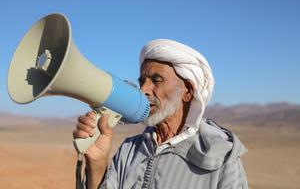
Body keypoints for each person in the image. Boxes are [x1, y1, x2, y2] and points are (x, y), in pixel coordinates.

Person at [73, 39, 248, 189]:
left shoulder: (222, 156)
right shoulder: (129, 150)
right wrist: (97, 162)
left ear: (187, 91)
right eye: (142, 81)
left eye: (156, 80)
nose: (143, 90)